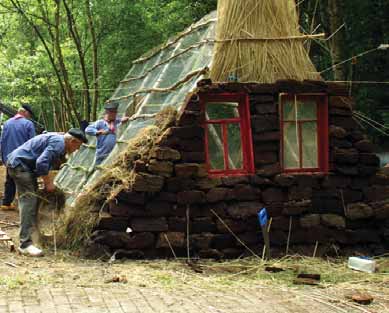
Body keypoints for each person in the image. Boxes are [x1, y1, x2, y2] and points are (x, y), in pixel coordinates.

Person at [6, 128, 87, 256]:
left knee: (31, 201)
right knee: (29, 201)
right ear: (72, 141)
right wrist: (48, 183)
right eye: (78, 146)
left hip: (20, 164)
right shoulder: (59, 144)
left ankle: (31, 237)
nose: (77, 150)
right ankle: (25, 245)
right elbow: (41, 162)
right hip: (20, 166)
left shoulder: (58, 139)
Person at [0, 105, 36, 210]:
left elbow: (2, 141)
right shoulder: (28, 124)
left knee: (10, 179)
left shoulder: (7, 123)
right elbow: (32, 143)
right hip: (23, 159)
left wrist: (3, 157)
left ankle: (6, 203)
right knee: (26, 181)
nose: (29, 117)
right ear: (25, 113)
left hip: (9, 157)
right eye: (29, 115)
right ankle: (26, 205)